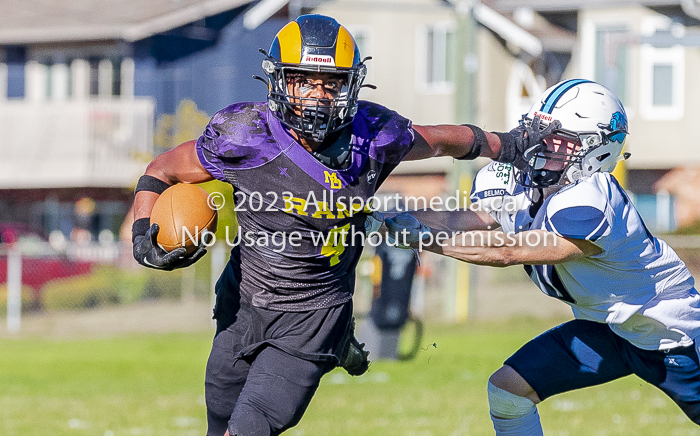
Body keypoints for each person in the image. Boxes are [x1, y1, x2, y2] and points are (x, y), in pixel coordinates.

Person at [130, 14, 555, 436]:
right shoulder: (245, 135)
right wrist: (143, 233)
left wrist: (510, 145)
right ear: (280, 82)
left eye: (330, 83)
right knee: (218, 424)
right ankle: (338, 345)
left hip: (315, 312)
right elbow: (162, 169)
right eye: (305, 81)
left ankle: (332, 340)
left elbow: (442, 138)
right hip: (242, 302)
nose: (318, 96)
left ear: (349, 86)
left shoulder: (373, 135)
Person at [385, 79, 700, 434]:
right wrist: (377, 219)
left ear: (597, 150)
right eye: (540, 134)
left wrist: (422, 238)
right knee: (508, 392)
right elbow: (463, 218)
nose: (541, 147)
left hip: (673, 333)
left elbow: (509, 250)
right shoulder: (520, 181)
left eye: (558, 141)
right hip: (609, 329)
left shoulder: (593, 199)